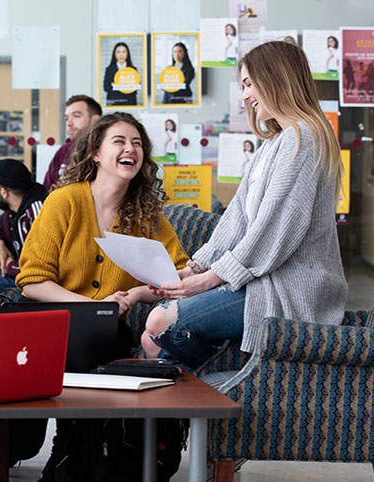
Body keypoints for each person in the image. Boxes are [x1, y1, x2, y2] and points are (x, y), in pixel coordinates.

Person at [141, 40, 348, 375]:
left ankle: (173, 417)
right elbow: (236, 220)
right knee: (153, 339)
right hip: (261, 281)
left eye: (250, 84)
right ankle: (178, 417)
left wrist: (208, 281)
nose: (246, 96)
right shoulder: (274, 144)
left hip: (289, 291)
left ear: (275, 80)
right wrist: (194, 269)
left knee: (160, 325)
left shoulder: (304, 140)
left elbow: (272, 233)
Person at [15, 112, 189, 482]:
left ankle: (80, 457)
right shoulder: (64, 202)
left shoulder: (146, 216)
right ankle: (67, 453)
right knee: (77, 348)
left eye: (138, 144)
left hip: (107, 329)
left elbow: (178, 276)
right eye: (120, 141)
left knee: (109, 339)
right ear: (95, 152)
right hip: (51, 321)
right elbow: (31, 280)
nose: (131, 149)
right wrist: (91, 306)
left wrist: (139, 293)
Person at [0, 160, 47, 294]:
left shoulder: (36, 214)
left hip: (38, 282)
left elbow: (40, 266)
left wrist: (9, 266)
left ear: (4, 192)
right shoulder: (11, 212)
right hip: (20, 275)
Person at [43, 95, 102, 190]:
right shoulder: (64, 151)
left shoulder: (105, 150)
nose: (69, 123)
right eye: (66, 118)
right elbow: (47, 189)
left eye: (76, 116)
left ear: (95, 120)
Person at [103, 42, 139, 107]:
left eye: (124, 52)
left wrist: (116, 85)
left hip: (129, 102)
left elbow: (137, 87)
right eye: (118, 52)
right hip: (114, 102)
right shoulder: (109, 69)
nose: (121, 55)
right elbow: (106, 88)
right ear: (115, 54)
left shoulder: (133, 69)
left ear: (127, 54)